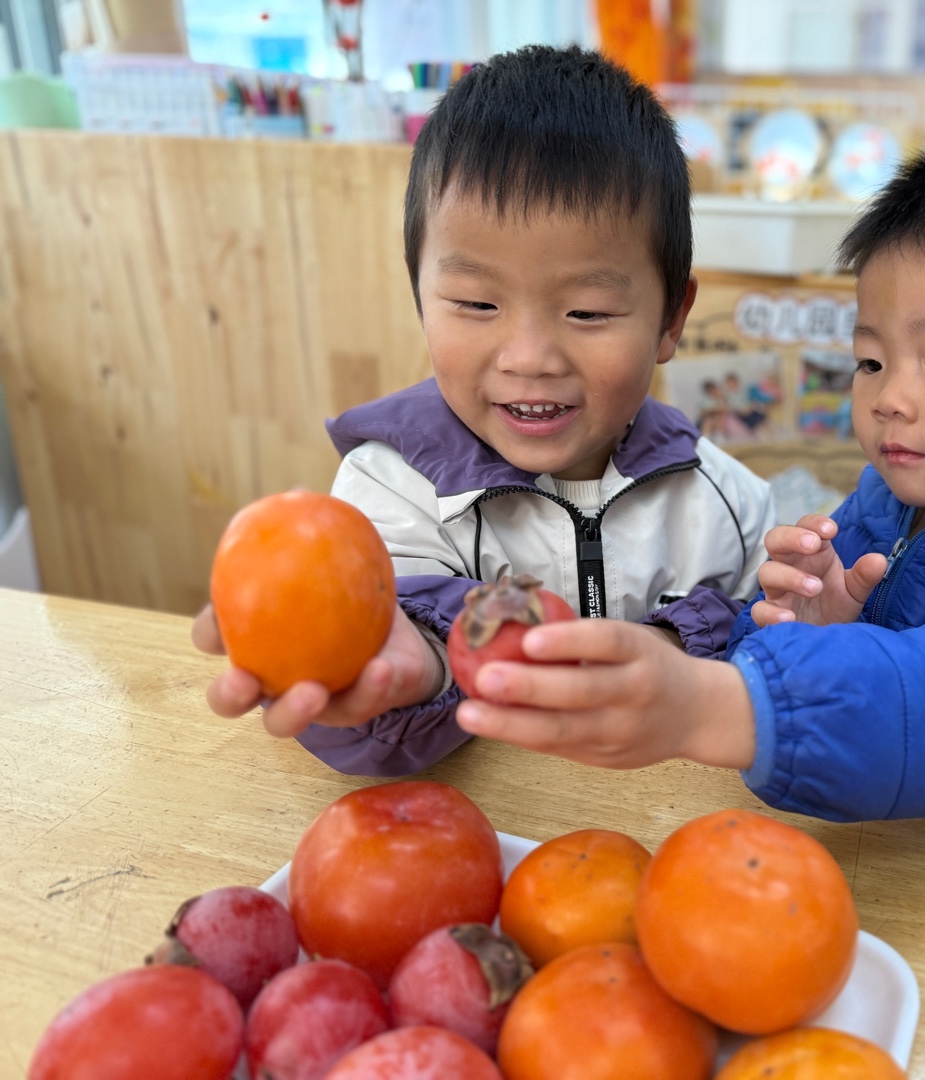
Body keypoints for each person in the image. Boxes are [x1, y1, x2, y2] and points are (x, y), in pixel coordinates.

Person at [452, 133, 925, 822]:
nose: (889, 397)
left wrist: (720, 705)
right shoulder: (889, 503)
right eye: (870, 360)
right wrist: (805, 629)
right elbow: (802, 665)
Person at [191, 46, 774, 775]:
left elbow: (778, 667)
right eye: (475, 303)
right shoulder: (387, 494)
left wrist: (695, 646)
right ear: (419, 296)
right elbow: (383, 680)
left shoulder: (730, 506)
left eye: (588, 311)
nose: (529, 357)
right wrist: (412, 671)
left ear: (670, 320)